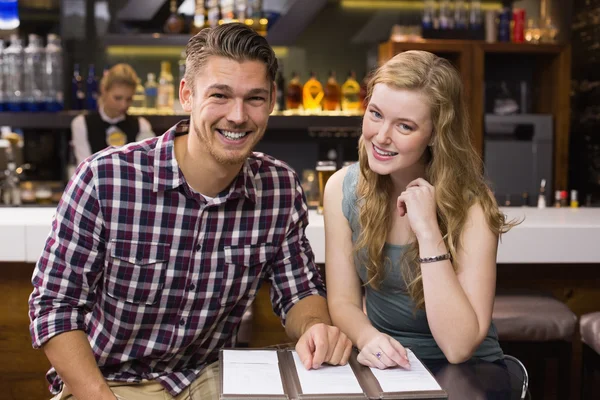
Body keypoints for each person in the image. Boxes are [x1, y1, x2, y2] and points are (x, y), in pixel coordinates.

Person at [29, 23, 351, 400]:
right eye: (220, 95)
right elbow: (54, 307)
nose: (237, 116)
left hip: (211, 375)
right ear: (187, 94)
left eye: (255, 99)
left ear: (273, 100)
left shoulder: (278, 188)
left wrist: (314, 326)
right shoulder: (105, 179)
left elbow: (299, 291)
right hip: (110, 380)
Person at [324, 51, 517, 397]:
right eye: (376, 114)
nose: (382, 136)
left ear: (434, 134)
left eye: (405, 126)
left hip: (468, 373)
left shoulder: (472, 205)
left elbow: (459, 347)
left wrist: (428, 230)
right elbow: (343, 302)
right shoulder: (341, 188)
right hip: (389, 365)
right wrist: (369, 339)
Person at [70, 63, 155, 164]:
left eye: (129, 99)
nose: (123, 105)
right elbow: (85, 170)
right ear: (104, 90)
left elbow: (147, 167)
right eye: (117, 98)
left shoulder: (142, 125)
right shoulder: (81, 124)